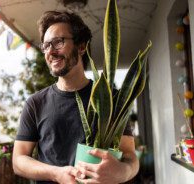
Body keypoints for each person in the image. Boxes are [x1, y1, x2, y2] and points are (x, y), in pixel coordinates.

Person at [12, 11, 138, 184]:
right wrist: (56, 173)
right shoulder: (36, 103)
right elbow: (18, 161)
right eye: (46, 45)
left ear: (81, 47)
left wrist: (122, 172)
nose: (51, 51)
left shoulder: (110, 99)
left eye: (58, 42)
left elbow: (130, 155)